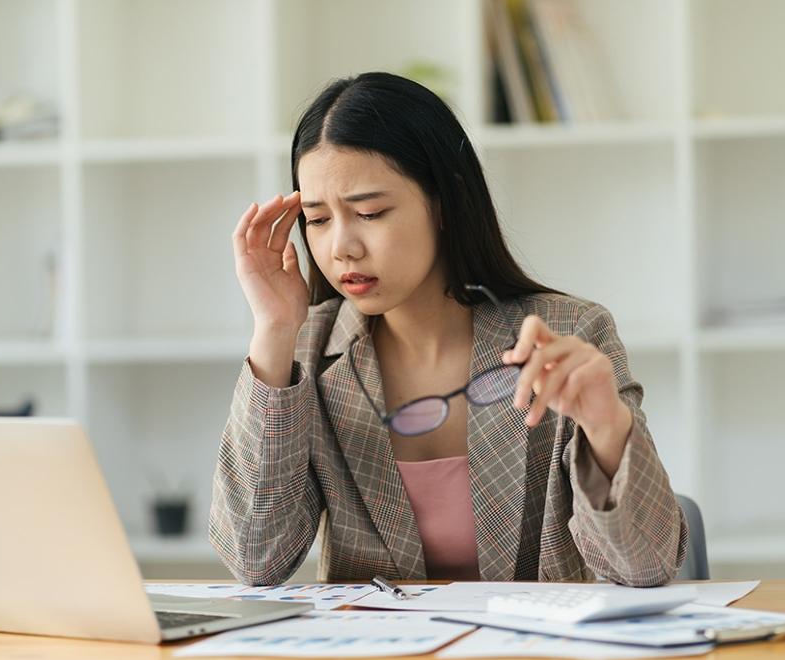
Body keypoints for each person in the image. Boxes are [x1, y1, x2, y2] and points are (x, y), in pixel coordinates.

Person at [211, 72, 687, 586]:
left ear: (443, 204)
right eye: (318, 220)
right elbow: (254, 560)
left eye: (370, 212)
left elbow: (646, 567)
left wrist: (607, 427)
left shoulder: (570, 332)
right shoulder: (307, 352)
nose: (341, 247)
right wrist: (275, 330)